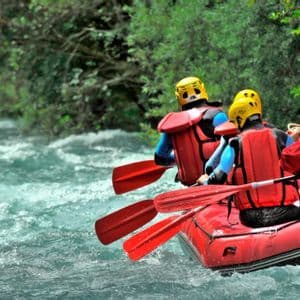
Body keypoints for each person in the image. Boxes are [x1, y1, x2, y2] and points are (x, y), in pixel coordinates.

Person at [198, 95, 300, 228]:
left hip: (252, 217)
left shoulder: (234, 144)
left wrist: (205, 181)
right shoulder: (281, 136)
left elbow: (218, 178)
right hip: (286, 211)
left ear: (239, 120)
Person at [154, 76, 228, 186]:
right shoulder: (217, 116)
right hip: (218, 182)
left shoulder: (172, 125)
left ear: (179, 98)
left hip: (191, 186)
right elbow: (232, 145)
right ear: (203, 91)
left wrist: (181, 158)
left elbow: (160, 158)